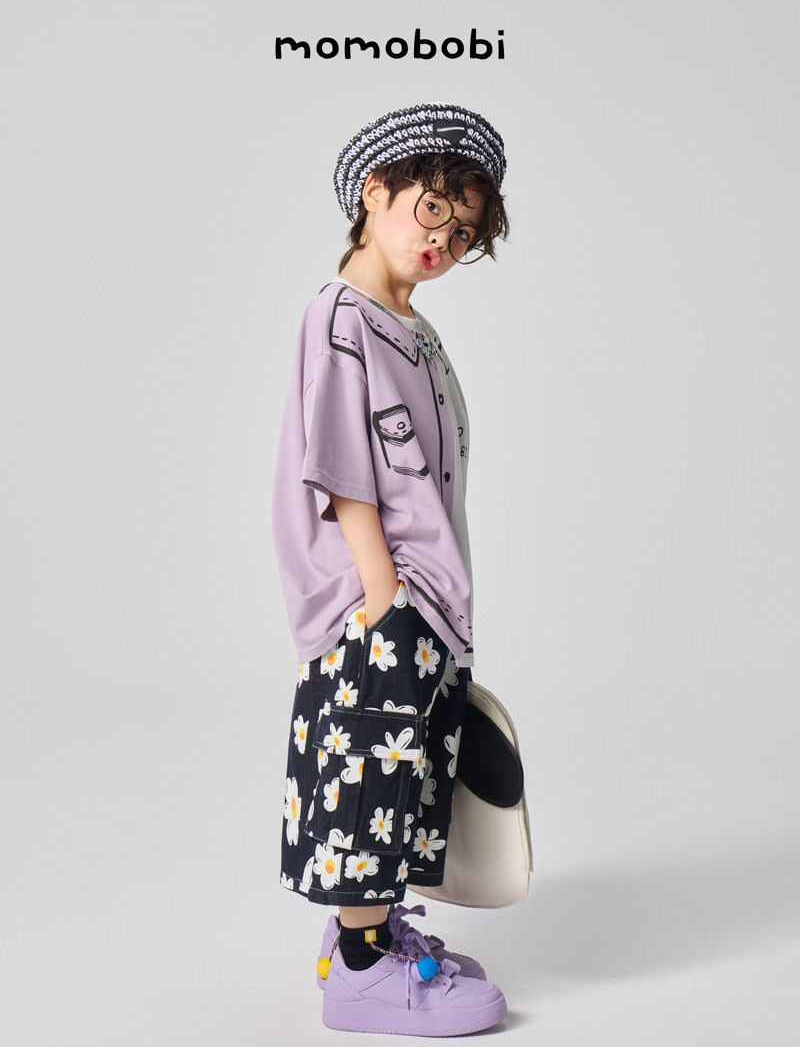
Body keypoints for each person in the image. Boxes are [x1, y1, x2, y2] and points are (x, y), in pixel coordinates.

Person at [272, 103, 511, 1036]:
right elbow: (342, 465)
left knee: (404, 776)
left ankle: (368, 935)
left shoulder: (410, 326)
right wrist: (382, 594)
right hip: (385, 598)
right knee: (369, 772)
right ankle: (364, 973)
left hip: (427, 596)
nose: (442, 240)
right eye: (432, 209)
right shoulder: (342, 317)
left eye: (463, 233)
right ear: (375, 192)